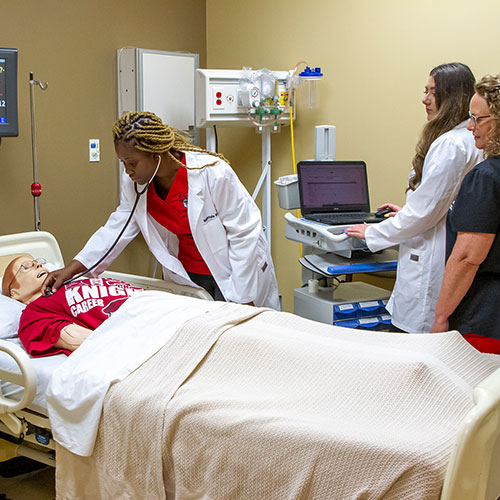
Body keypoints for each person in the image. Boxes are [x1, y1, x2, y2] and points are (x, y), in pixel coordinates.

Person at [42, 111, 280, 309]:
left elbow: (244, 234)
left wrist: (244, 297)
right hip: (190, 277)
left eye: (132, 162)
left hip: (235, 271)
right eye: (123, 163)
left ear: (156, 153)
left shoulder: (211, 172)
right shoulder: (136, 186)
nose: (127, 171)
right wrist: (71, 270)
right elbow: (115, 230)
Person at [345, 62, 481, 333]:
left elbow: (424, 212)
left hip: (431, 256)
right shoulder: (466, 137)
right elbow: (439, 202)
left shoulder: (451, 144)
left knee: (414, 336)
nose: (425, 99)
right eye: (425, 91)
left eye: (432, 92)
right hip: (441, 238)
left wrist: (375, 231)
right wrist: (408, 211)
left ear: (451, 96)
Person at [431, 74, 500, 353]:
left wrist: (440, 317)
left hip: (485, 317)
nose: (470, 127)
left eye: (478, 119)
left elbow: (467, 258)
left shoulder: (486, 178)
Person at [2, 255, 142, 357]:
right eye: (27, 267)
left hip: (154, 304)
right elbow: (83, 340)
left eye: (37, 262)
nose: (38, 265)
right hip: (141, 331)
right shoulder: (33, 314)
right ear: (14, 293)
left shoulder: (75, 280)